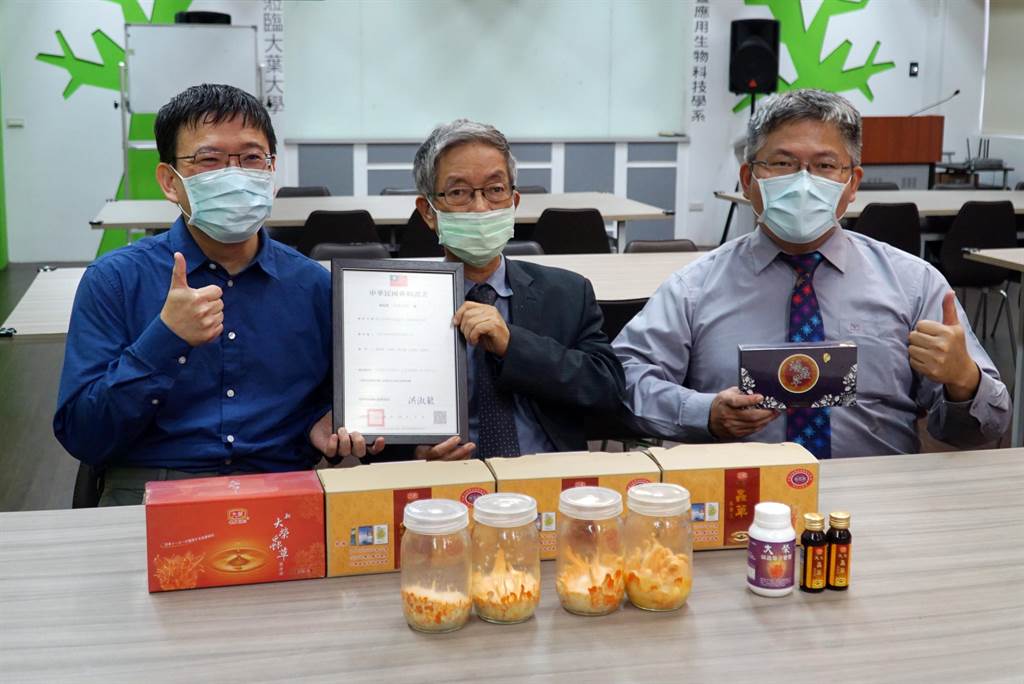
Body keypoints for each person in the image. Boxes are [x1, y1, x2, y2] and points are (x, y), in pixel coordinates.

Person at [613, 89, 1009, 458]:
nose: (804, 182)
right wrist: (704, 412)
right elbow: (623, 380)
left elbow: (986, 427)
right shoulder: (693, 288)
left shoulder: (913, 285)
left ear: (852, 184)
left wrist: (963, 381)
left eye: (825, 166)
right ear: (749, 180)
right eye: (783, 163)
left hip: (877, 493)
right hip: (742, 493)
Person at [54, 84, 377, 506]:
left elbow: (335, 407)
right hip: (153, 487)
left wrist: (329, 423)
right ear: (170, 181)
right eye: (210, 160)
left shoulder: (313, 286)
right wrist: (164, 339)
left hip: (281, 487)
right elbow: (84, 435)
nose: (235, 175)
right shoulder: (115, 281)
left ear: (272, 173)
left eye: (251, 158)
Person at [371, 119, 625, 461]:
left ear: (514, 201)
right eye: (458, 193)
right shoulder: (393, 306)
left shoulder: (567, 293)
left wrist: (513, 345)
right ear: (428, 212)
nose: (480, 208)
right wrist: (416, 456)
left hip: (546, 474)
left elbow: (608, 391)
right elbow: (372, 424)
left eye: (495, 190)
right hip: (446, 482)